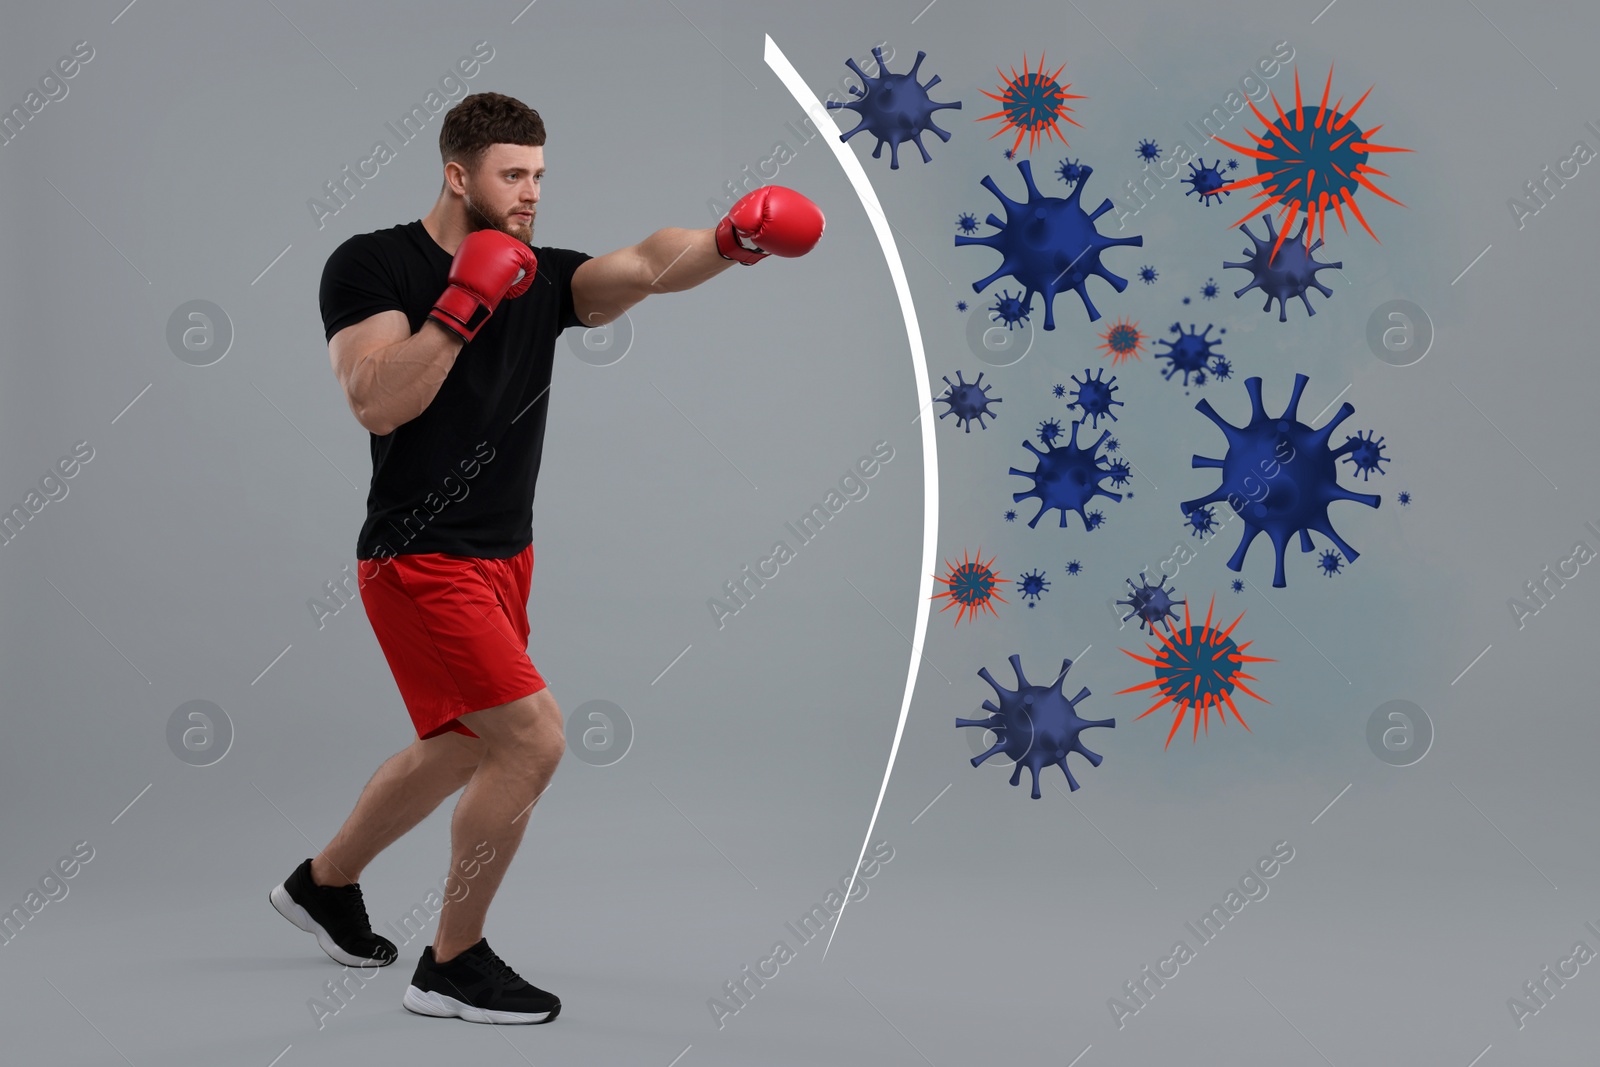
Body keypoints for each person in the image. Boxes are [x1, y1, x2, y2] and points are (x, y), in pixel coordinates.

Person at [269, 91, 824, 1025]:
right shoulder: (372, 263)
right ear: (458, 174)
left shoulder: (541, 277)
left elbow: (647, 263)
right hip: (419, 554)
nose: (529, 194)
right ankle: (452, 963)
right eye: (511, 175)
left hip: (502, 557)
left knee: (459, 746)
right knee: (530, 738)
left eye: (538, 176)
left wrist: (733, 241)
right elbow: (375, 400)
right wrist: (461, 303)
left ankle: (325, 885)